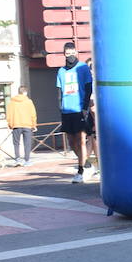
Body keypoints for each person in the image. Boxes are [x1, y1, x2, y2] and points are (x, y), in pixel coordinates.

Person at [55, 41, 93, 183]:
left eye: (72, 53)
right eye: (67, 54)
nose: (70, 56)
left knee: (81, 140)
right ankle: (86, 163)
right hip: (67, 110)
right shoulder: (61, 71)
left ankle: (81, 170)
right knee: (72, 142)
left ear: (76, 53)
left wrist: (85, 107)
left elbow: (88, 88)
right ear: (64, 54)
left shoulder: (83, 68)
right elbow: (59, 91)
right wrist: (60, 107)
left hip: (79, 109)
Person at [7, 85, 37, 165]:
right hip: (27, 125)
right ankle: (27, 160)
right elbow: (33, 114)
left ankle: (17, 159)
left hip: (16, 125)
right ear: (25, 92)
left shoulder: (12, 102)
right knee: (27, 143)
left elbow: (8, 114)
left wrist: (10, 124)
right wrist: (34, 125)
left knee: (16, 143)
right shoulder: (29, 102)